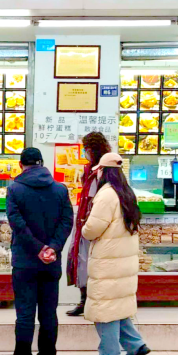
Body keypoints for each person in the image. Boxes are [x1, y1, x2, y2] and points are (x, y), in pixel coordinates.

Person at [2, 147, 74, 355]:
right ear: (42, 163)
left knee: (25, 315)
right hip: (51, 262)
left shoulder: (15, 189)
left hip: (25, 261)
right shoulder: (60, 189)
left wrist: (36, 248)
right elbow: (67, 221)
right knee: (48, 314)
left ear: (20, 165)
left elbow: (17, 223)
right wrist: (52, 247)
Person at [81, 152, 150, 355]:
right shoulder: (126, 193)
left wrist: (83, 228)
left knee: (105, 310)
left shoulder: (106, 195)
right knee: (116, 306)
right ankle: (135, 345)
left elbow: (93, 229)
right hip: (124, 261)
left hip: (108, 262)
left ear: (103, 171)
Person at [66, 132, 112, 317]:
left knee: (96, 263)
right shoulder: (89, 170)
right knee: (82, 261)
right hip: (86, 221)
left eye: (86, 148)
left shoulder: (105, 171)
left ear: (93, 149)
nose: (84, 152)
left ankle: (95, 302)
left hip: (98, 221)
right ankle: (84, 300)